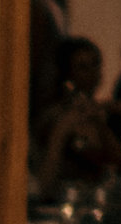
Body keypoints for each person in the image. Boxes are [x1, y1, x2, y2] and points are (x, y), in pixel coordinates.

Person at [33, 37, 113, 199]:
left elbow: (115, 164)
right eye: (83, 67)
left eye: (95, 65)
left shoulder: (104, 113)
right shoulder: (53, 115)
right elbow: (41, 182)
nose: (92, 74)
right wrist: (62, 130)